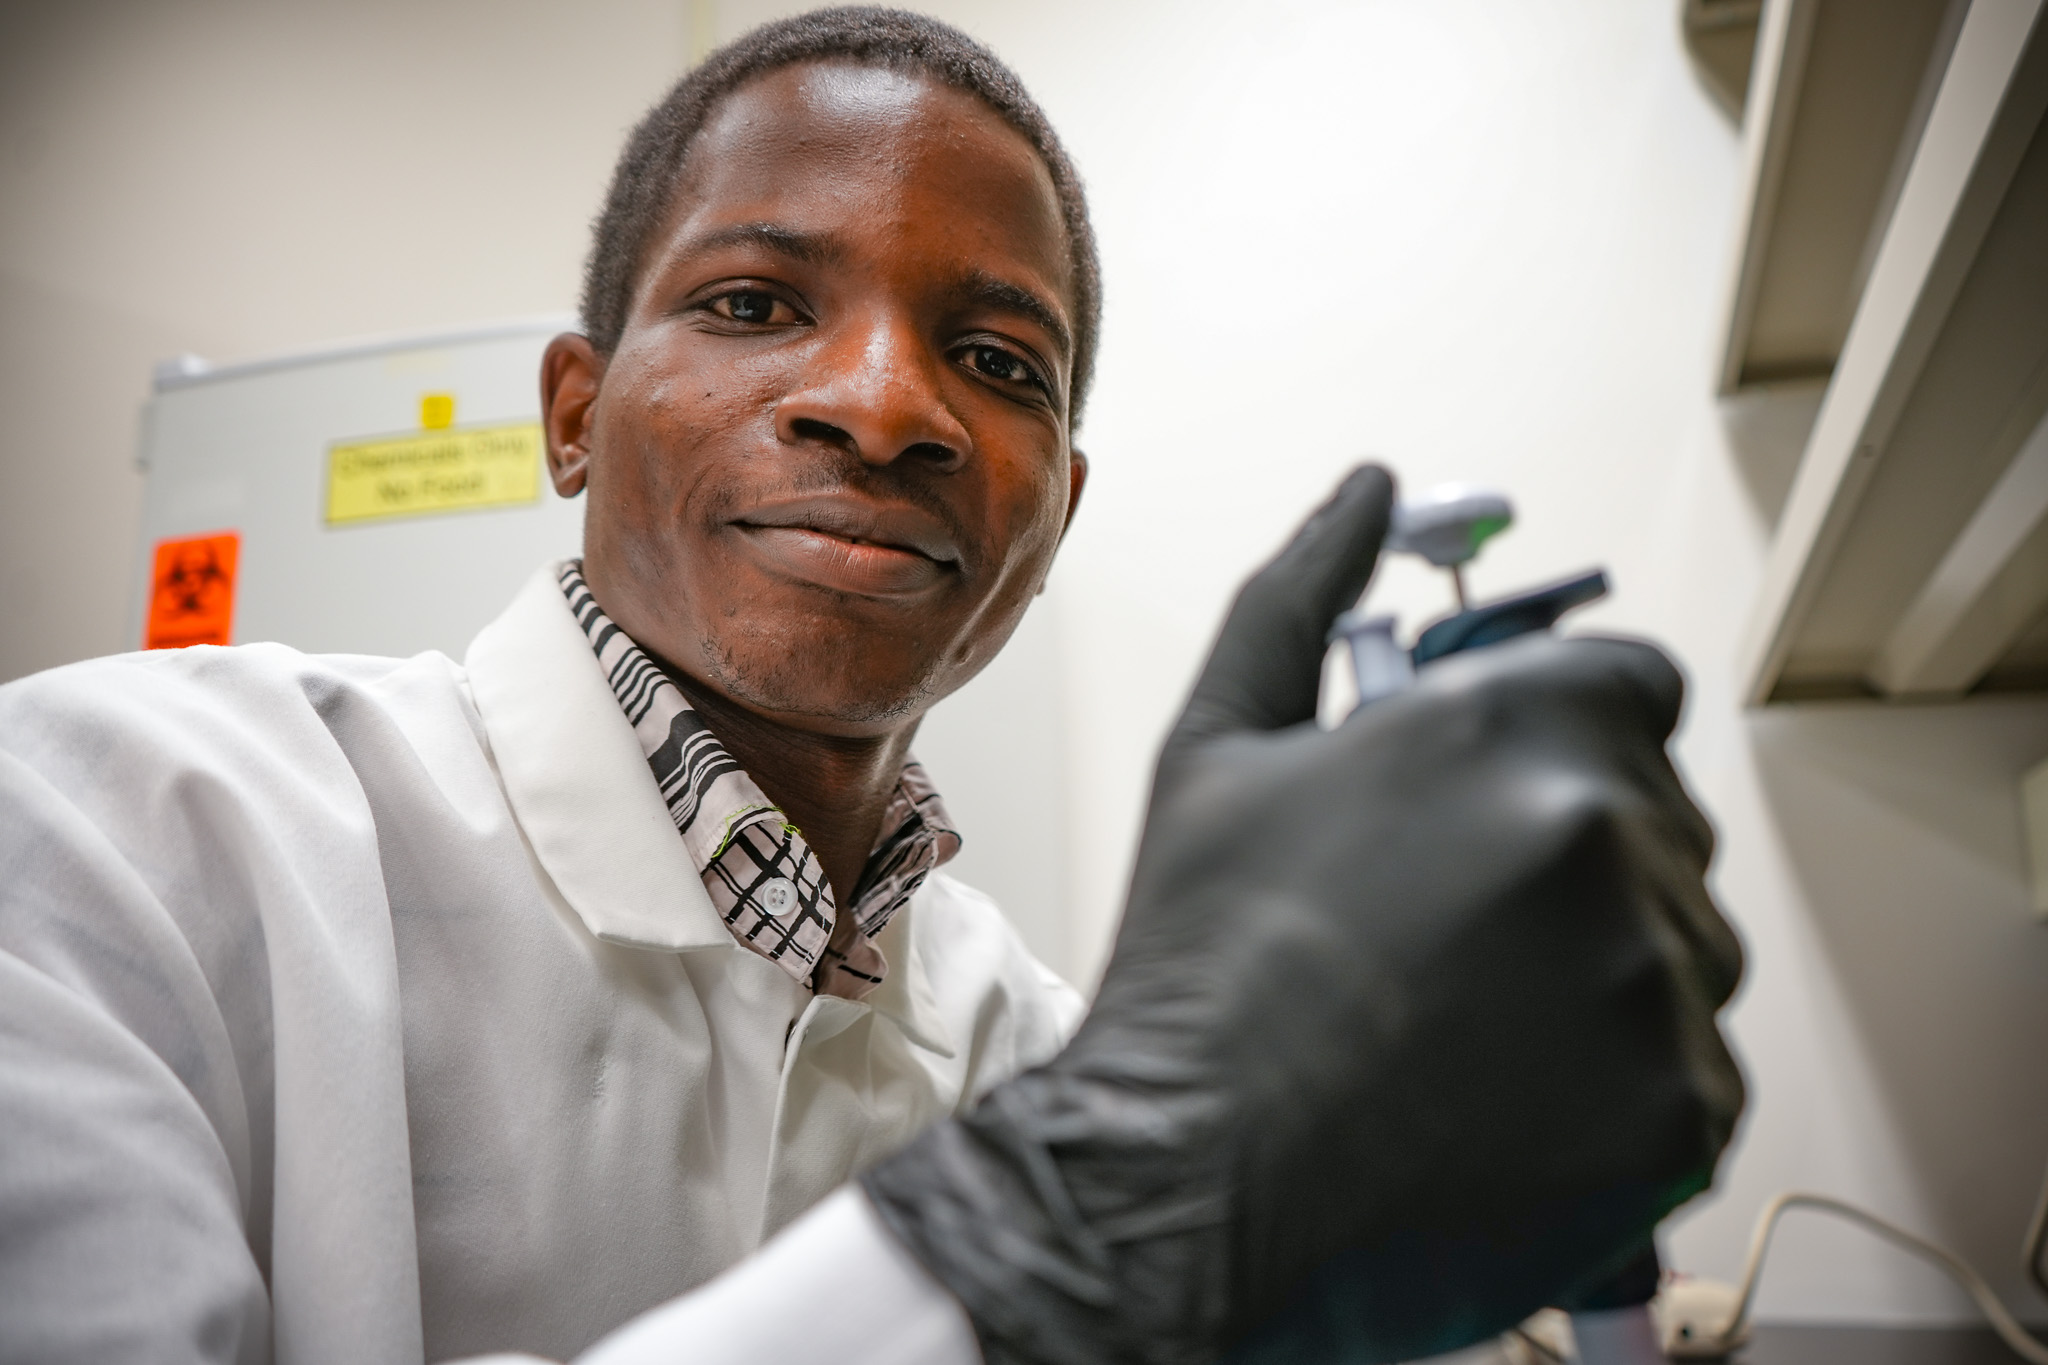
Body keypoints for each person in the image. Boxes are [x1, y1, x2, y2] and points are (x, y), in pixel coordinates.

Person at [0, 10, 1743, 1365]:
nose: (885, 403)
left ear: (1050, 508)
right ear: (573, 415)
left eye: (996, 360)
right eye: (756, 302)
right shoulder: (101, 835)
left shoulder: (1039, 1042)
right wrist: (1028, 1257)